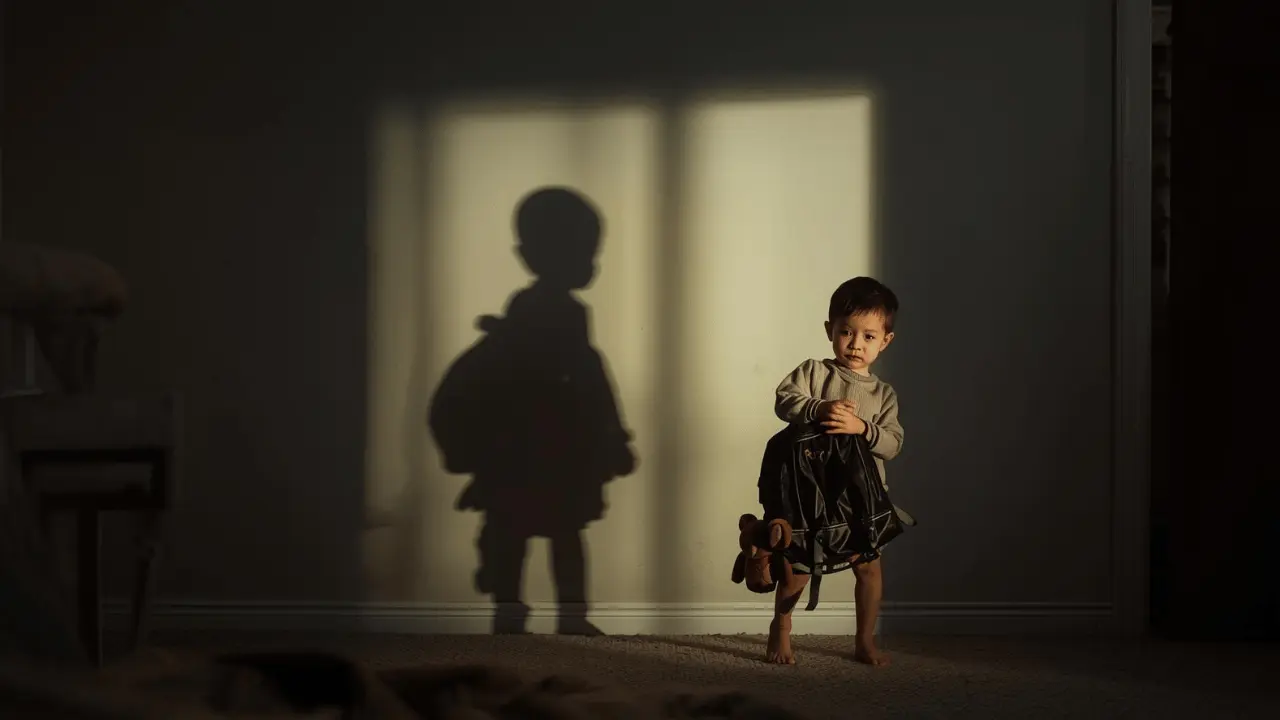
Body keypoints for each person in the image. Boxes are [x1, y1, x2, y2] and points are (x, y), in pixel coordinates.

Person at [768, 276, 905, 666]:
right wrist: (819, 409)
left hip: (860, 499)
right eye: (846, 332)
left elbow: (893, 444)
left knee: (869, 570)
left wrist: (863, 428)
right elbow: (784, 400)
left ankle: (864, 641)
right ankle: (781, 629)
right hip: (809, 494)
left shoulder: (883, 395)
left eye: (868, 336)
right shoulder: (813, 372)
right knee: (797, 567)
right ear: (830, 330)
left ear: (885, 341)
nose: (856, 344)